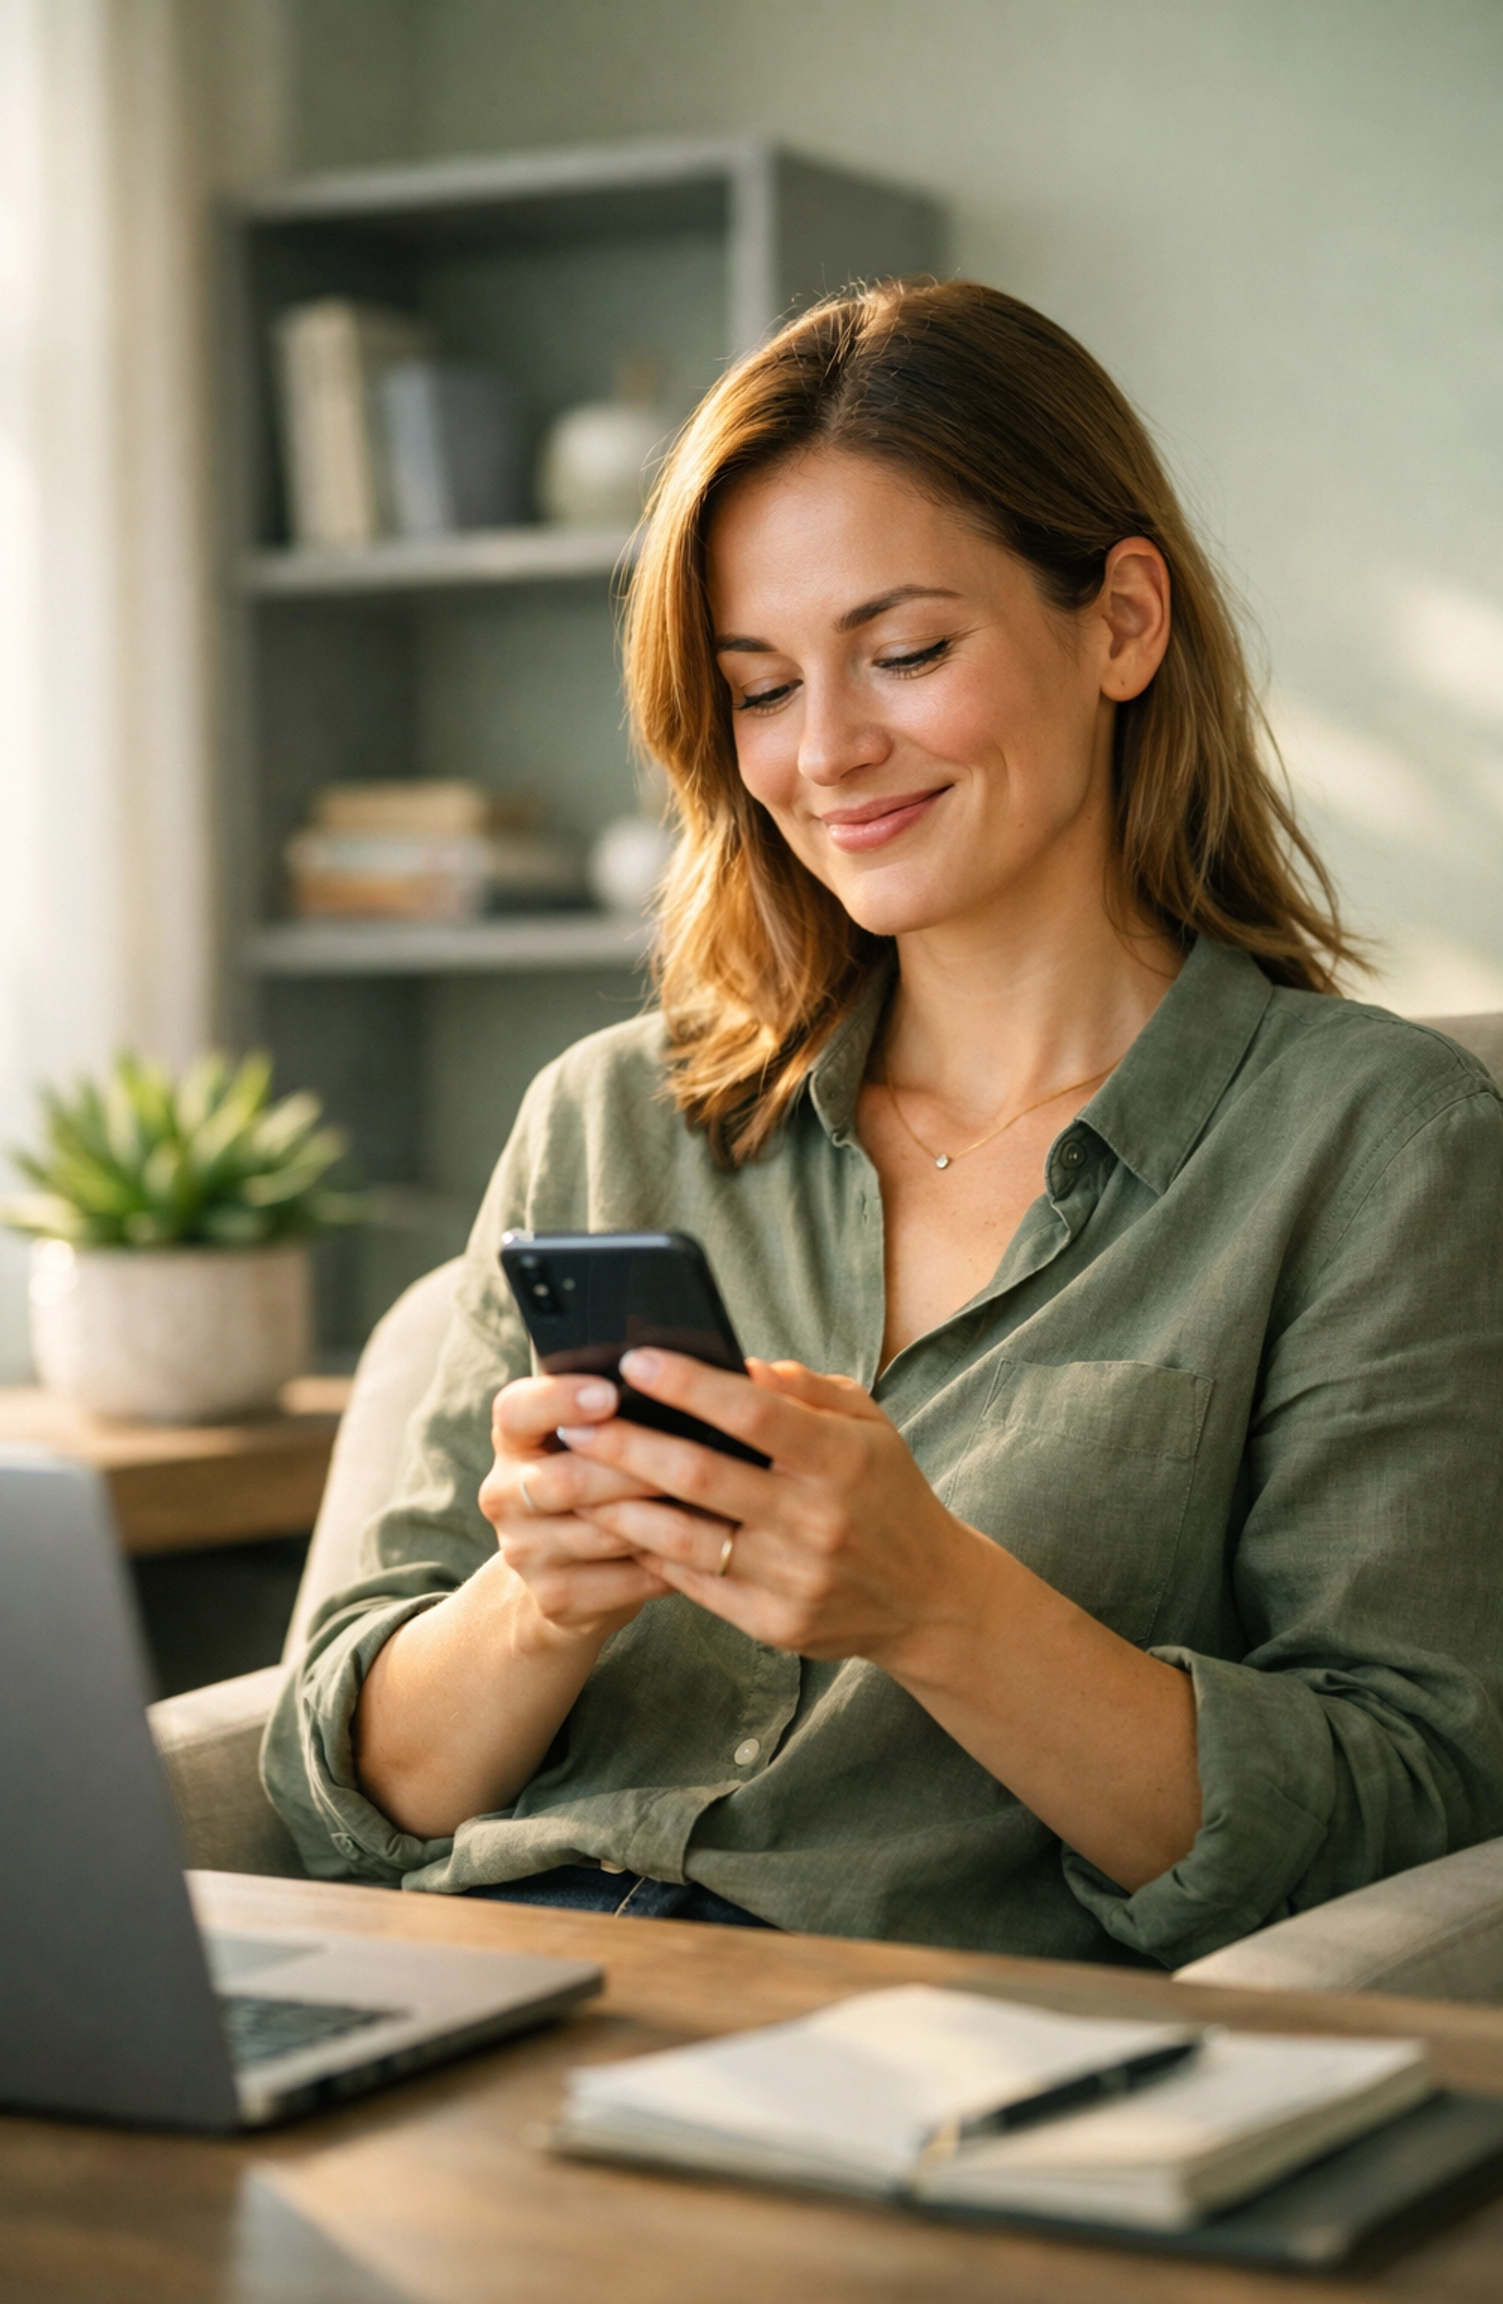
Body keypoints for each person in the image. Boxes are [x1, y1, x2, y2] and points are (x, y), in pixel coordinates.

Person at [264, 280, 1503, 1968]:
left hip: (932, 2061)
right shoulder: (615, 1116)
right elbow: (344, 1786)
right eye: (759, 687)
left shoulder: (1380, 1145)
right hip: (502, 1999)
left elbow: (1404, 1814)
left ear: (1122, 621)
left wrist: (934, 1601)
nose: (828, 752)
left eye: (907, 653)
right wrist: (538, 1605)